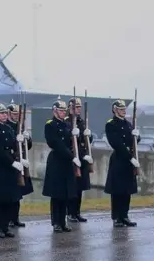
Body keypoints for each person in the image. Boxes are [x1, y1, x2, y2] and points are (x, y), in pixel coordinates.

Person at [0, 101, 28, 238]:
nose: (4, 115)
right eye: (1, 113)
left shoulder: (9, 128)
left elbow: (14, 148)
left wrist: (23, 141)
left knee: (10, 198)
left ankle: (5, 226)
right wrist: (12, 162)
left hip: (11, 167)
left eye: (5, 113)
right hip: (0, 166)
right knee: (0, 199)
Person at [42, 99, 79, 232]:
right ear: (55, 111)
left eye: (64, 111)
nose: (63, 113)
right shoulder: (50, 125)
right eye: (61, 111)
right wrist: (72, 157)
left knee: (65, 194)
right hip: (57, 161)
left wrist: (78, 135)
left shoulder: (68, 125)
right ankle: (56, 222)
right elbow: (55, 143)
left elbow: (73, 143)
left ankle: (63, 222)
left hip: (67, 163)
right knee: (56, 194)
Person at [104, 99, 140, 227]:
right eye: (121, 109)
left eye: (124, 109)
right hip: (119, 159)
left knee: (127, 190)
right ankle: (116, 217)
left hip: (129, 161)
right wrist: (130, 157)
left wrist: (137, 135)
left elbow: (134, 142)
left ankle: (125, 215)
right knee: (117, 191)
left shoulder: (129, 124)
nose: (123, 111)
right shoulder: (111, 124)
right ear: (115, 110)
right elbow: (116, 143)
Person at [6, 101, 33, 228]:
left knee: (18, 194)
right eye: (14, 113)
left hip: (21, 161)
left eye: (18, 114)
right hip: (12, 162)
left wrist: (28, 138)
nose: (16, 116)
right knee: (10, 194)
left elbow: (29, 146)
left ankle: (15, 218)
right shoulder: (7, 126)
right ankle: (9, 219)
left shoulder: (20, 126)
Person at [67, 97, 94, 223]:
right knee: (72, 188)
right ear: (70, 108)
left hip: (82, 158)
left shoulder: (81, 122)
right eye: (76, 107)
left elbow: (86, 141)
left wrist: (89, 135)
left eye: (79, 107)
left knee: (80, 188)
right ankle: (70, 213)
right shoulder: (67, 121)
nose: (78, 109)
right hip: (73, 158)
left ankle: (77, 212)